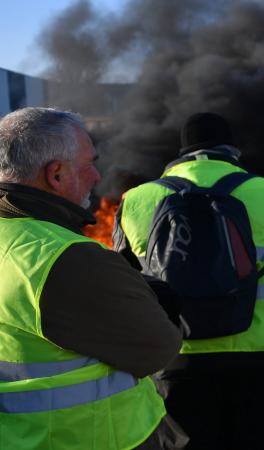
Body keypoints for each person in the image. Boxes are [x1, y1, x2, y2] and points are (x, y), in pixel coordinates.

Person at [113, 112, 264, 449]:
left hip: (176, 352)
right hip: (254, 350)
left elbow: (122, 285)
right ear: (230, 150)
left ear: (181, 152)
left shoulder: (136, 200)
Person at [0, 107, 182, 449]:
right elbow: (159, 348)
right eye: (89, 163)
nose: (97, 176)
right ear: (56, 174)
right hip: (88, 439)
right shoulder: (65, 256)